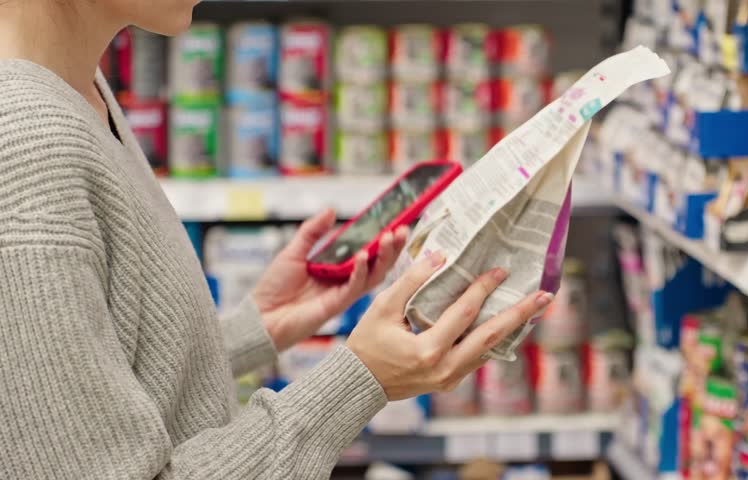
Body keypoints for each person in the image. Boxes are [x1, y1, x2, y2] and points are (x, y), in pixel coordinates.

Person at [0, 0, 555, 478]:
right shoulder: (24, 141)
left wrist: (255, 328)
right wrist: (358, 380)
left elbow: (98, 389)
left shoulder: (79, 89)